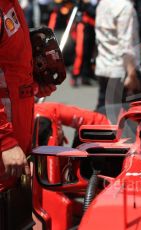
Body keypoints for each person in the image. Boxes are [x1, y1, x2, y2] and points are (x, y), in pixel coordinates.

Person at [0, 0, 56, 228]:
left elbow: (9, 70)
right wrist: (4, 141)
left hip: (14, 152)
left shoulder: (10, 4)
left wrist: (32, 83)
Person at [95, 0, 141, 110]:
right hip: (120, 70)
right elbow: (126, 45)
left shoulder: (103, 3)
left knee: (102, 112)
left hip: (103, 65)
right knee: (120, 117)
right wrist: (132, 74)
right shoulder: (125, 7)